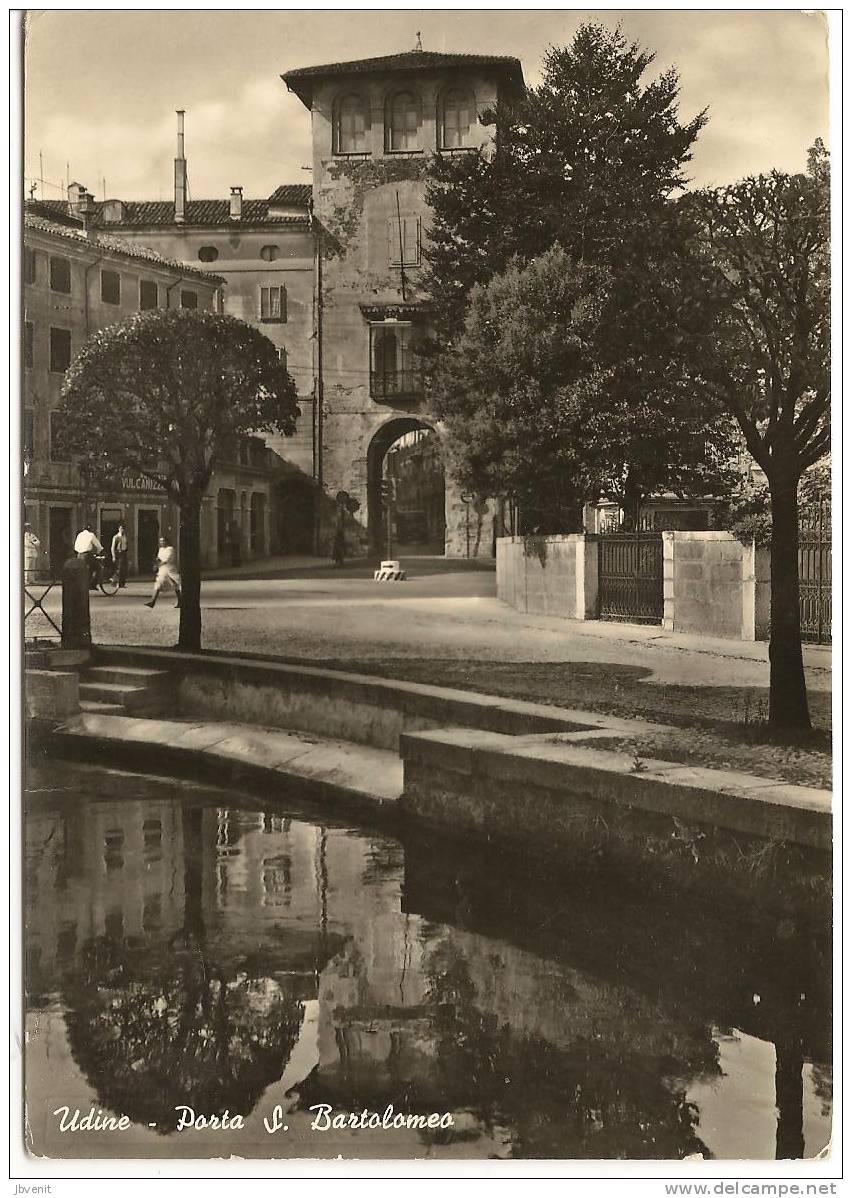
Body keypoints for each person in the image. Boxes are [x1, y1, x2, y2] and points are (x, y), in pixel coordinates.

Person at [144, 536, 182, 609]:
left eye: (163, 541)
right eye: (160, 541)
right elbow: (160, 559)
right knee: (158, 584)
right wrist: (156, 562)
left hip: (170, 569)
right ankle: (152, 602)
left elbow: (166, 560)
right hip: (162, 570)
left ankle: (181, 601)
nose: (161, 543)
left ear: (166, 541)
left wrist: (157, 566)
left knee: (176, 585)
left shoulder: (170, 549)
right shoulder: (161, 549)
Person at [74, 523, 103, 590]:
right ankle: (93, 584)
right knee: (98, 568)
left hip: (79, 555)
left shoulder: (80, 535)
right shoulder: (91, 535)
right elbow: (97, 545)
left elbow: (75, 547)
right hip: (87, 555)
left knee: (83, 569)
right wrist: (101, 550)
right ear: (90, 529)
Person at [110, 523, 129, 588]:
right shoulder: (116, 537)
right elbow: (113, 547)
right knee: (119, 569)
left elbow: (126, 545)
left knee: (124, 569)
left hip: (124, 553)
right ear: (118, 529)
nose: (122, 530)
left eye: (123, 528)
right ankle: (114, 581)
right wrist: (113, 556)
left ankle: (122, 584)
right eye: (121, 528)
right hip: (119, 553)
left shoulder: (125, 536)